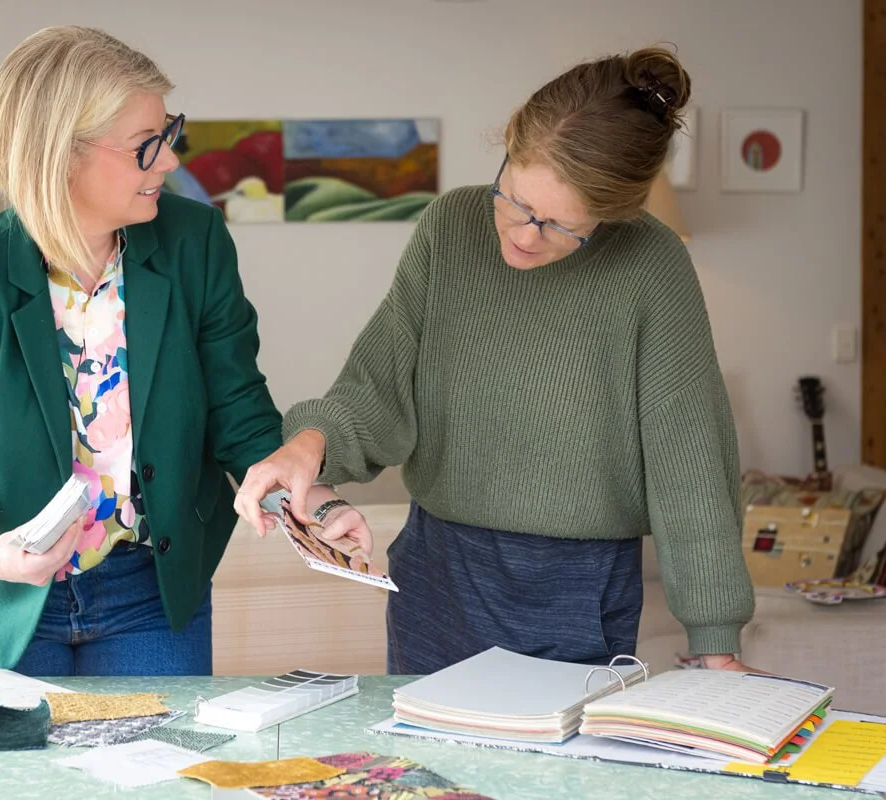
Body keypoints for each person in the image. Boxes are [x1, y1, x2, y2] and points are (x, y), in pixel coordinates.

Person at [234, 47, 757, 675]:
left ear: (612, 215)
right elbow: (379, 385)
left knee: (556, 772)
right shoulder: (451, 224)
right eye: (513, 199)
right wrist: (309, 445)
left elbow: (690, 455)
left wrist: (715, 636)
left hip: (579, 583)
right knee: (425, 769)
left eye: (561, 226)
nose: (524, 234)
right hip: (438, 566)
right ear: (506, 149)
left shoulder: (653, 264)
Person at [0, 26, 351, 677]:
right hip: (1, 597)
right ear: (59, 155)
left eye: (169, 133)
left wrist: (313, 505)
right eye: (145, 147)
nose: (169, 162)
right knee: (21, 783)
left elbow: (237, 409)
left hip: (149, 589)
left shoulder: (195, 243)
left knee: (156, 777)